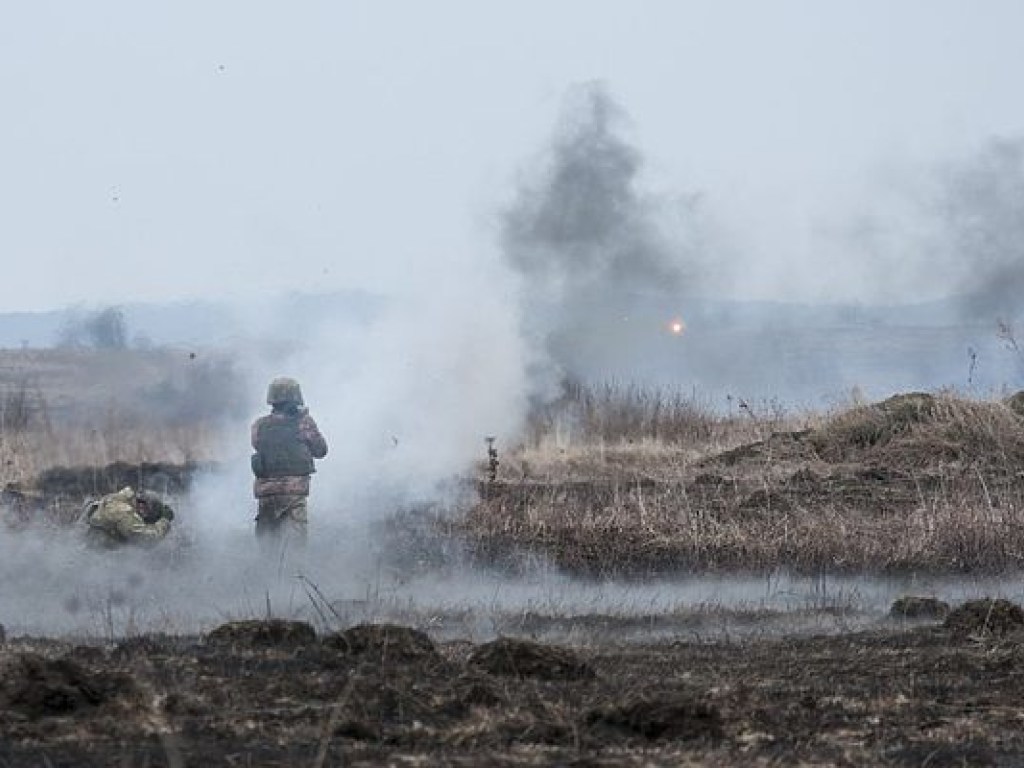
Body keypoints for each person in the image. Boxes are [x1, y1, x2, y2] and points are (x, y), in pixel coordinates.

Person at [250, 376, 328, 549]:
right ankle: (290, 576)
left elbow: (257, 445)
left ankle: (264, 576)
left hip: (266, 495)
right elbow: (321, 450)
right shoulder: (303, 423)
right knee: (295, 550)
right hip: (294, 495)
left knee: (266, 547)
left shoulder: (259, 425)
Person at [82, 486, 174, 547]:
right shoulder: (124, 512)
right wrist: (164, 521)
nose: (144, 520)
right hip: (98, 555)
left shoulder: (118, 501)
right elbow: (146, 539)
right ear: (143, 507)